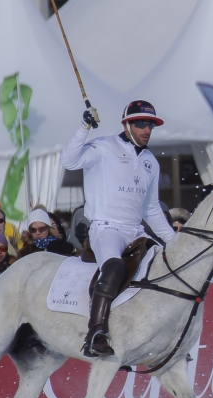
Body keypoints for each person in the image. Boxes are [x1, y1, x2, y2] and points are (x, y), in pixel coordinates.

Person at [61, 100, 175, 357]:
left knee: (169, 265)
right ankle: (96, 333)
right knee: (114, 267)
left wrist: (173, 241)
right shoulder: (103, 146)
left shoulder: (150, 162)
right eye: (142, 123)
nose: (147, 129)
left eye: (151, 125)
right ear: (127, 124)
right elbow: (69, 161)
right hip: (105, 228)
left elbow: (152, 209)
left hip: (135, 230)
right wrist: (84, 127)